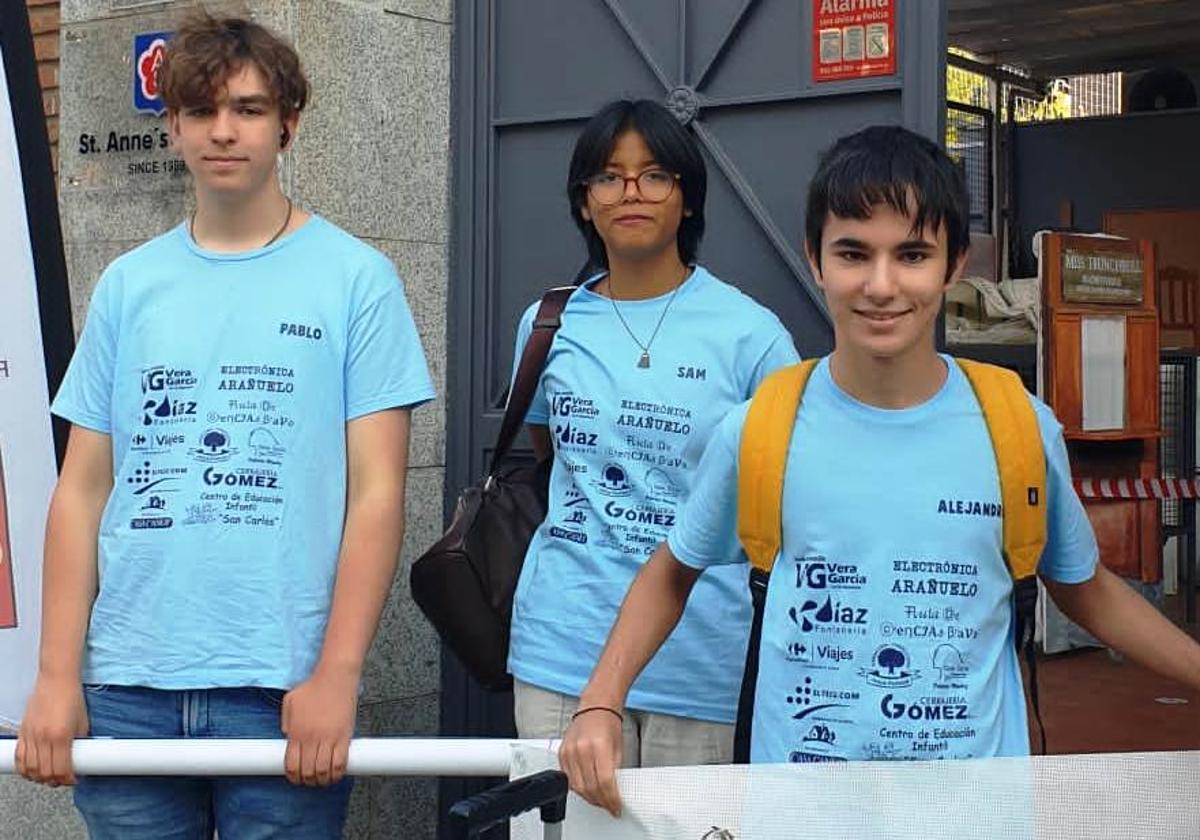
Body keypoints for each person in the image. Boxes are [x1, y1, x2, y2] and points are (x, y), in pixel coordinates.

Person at [560, 124, 1200, 815]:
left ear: (955, 264)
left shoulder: (1016, 426)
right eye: (854, 253)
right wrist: (599, 702)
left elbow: (1084, 588)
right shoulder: (761, 427)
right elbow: (670, 572)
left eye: (913, 254)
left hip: (975, 819)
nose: (882, 285)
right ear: (815, 259)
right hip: (799, 819)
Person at [15, 13, 434, 839]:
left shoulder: (358, 280)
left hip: (281, 687)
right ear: (171, 126)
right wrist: (56, 676)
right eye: (202, 111)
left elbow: (378, 496)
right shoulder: (129, 285)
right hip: (127, 686)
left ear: (289, 123)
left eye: (247, 108)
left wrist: (337, 675)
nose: (224, 130)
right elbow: (81, 491)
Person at [507, 99, 799, 769]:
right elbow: (552, 461)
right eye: (609, 176)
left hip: (698, 664)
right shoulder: (549, 325)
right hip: (560, 653)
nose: (630, 192)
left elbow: (780, 494)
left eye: (654, 175)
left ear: (688, 198)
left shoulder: (751, 336)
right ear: (584, 203)